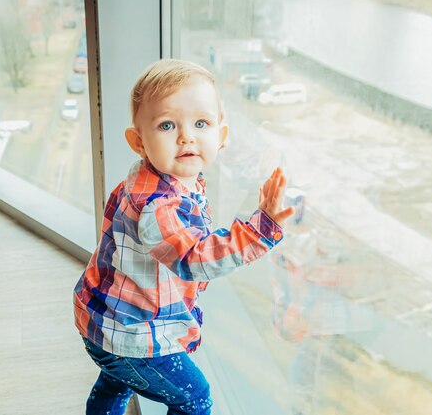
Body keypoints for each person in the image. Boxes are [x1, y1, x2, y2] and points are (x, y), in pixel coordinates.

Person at [73, 58, 295, 415]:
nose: (186, 136)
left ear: (221, 137)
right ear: (139, 142)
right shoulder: (158, 206)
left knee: (115, 383)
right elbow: (195, 258)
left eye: (201, 123)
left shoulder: (159, 178)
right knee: (194, 398)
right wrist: (260, 230)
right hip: (131, 335)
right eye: (166, 125)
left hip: (105, 322)